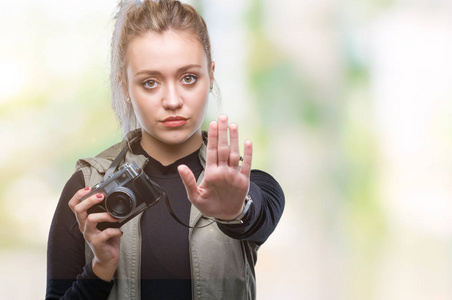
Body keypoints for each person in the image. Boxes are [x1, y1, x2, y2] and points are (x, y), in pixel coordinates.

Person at [46, 0, 284, 299]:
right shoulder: (87, 188)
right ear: (125, 87)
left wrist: (236, 211)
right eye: (150, 82)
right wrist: (100, 268)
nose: (172, 100)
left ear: (210, 76)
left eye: (188, 78)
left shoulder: (248, 187)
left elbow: (258, 215)